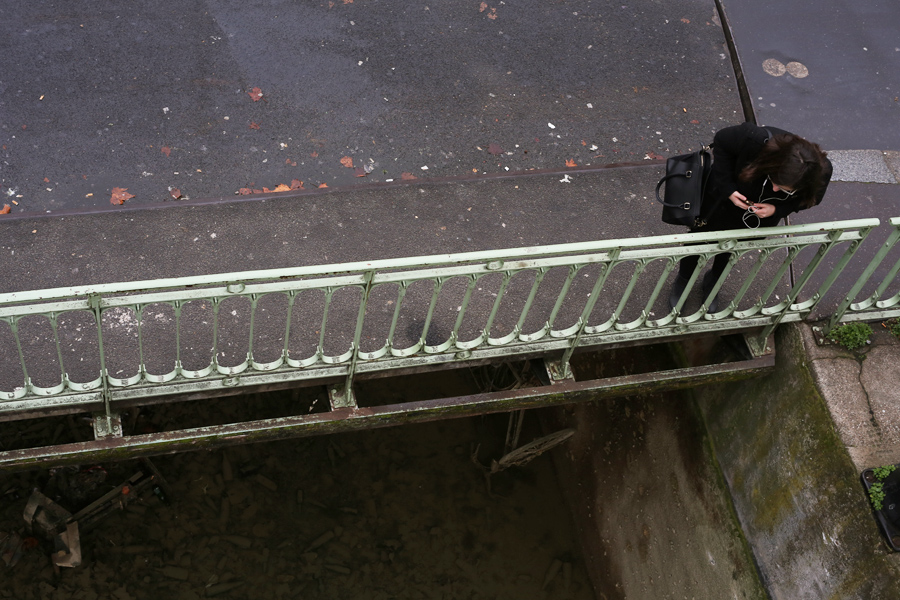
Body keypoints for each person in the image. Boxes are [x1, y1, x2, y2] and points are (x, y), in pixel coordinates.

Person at [668, 122, 833, 312]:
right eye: (774, 180)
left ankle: (713, 281)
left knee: (732, 250)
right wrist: (728, 188)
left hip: (756, 220)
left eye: (785, 189)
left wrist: (776, 209)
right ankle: (683, 279)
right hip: (719, 204)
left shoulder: (822, 171)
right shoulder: (754, 139)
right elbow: (721, 141)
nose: (775, 189)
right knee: (698, 240)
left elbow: (812, 200)